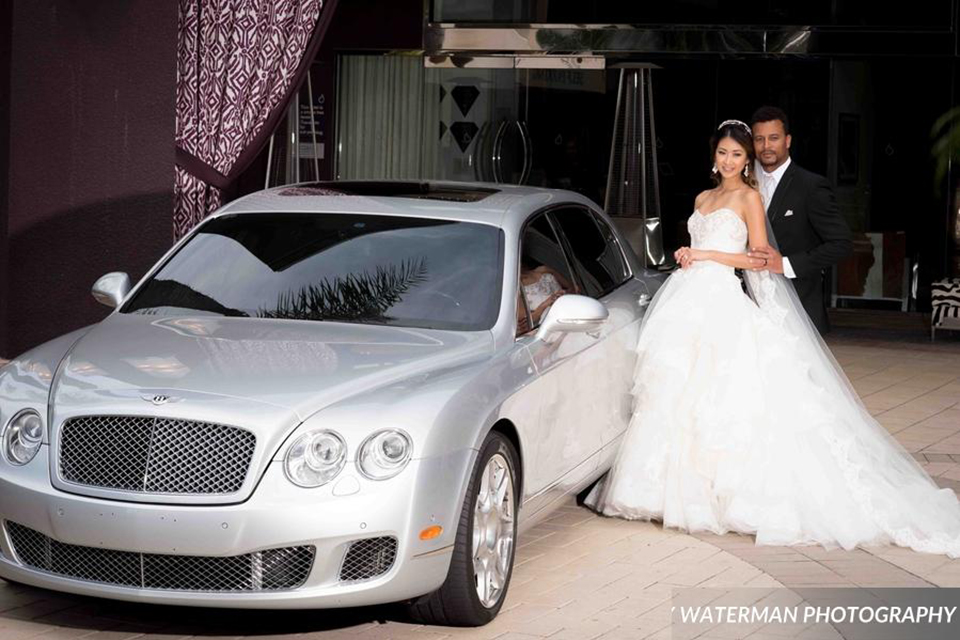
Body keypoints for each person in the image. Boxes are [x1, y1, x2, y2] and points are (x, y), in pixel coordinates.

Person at [585, 120, 960, 557]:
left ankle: (724, 498)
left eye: (738, 155)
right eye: (724, 153)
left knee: (724, 393)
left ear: (747, 162)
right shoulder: (702, 198)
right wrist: (687, 253)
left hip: (723, 299)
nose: (729, 161)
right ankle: (659, 491)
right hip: (686, 299)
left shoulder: (749, 197)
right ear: (715, 154)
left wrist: (704, 253)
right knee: (676, 390)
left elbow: (756, 258)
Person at [747, 106, 852, 335]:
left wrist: (784, 264)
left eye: (773, 138)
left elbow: (841, 243)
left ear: (787, 140)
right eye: (759, 139)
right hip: (749, 309)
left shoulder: (811, 186)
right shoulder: (743, 184)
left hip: (797, 308)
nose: (766, 146)